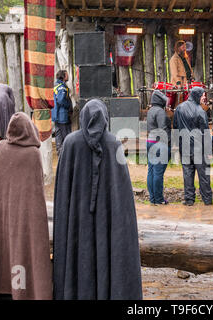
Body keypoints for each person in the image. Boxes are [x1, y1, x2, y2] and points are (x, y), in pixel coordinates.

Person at [53, 99, 142, 300]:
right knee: (107, 251)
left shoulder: (70, 143)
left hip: (76, 221)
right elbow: (122, 203)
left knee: (78, 255)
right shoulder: (113, 144)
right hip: (107, 224)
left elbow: (62, 195)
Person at [0, 112, 53, 300]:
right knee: (19, 253)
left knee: (0, 251)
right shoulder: (32, 154)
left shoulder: (0, 148)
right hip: (21, 222)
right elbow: (35, 198)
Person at [173, 86, 213, 206]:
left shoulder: (179, 108)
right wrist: (209, 151)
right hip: (199, 148)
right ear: (197, 95)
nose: (204, 97)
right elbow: (205, 133)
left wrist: (177, 143)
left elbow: (175, 127)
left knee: (187, 174)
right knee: (204, 175)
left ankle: (189, 199)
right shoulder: (201, 111)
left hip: (184, 146)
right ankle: (207, 199)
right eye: (202, 95)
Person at [147, 90, 172, 205]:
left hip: (150, 141)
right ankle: (159, 199)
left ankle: (152, 198)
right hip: (159, 144)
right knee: (158, 173)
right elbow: (163, 130)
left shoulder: (151, 110)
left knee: (151, 171)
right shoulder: (160, 112)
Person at [52, 69, 72, 156]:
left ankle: (59, 152)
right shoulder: (62, 87)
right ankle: (66, 153)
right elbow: (61, 100)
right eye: (67, 75)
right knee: (66, 135)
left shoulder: (55, 85)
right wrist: (68, 105)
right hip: (62, 115)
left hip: (56, 115)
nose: (68, 76)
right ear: (63, 76)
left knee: (58, 134)